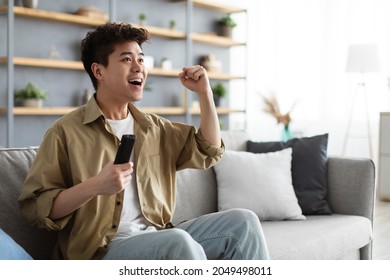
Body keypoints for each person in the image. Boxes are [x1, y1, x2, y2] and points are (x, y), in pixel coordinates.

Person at [18, 22, 269, 260]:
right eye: (127, 59)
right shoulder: (65, 132)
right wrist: (96, 185)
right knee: (178, 242)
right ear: (98, 70)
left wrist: (205, 94)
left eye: (140, 59)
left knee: (243, 223)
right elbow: (37, 208)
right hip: (100, 252)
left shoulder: (155, 128)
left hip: (159, 236)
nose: (138, 67)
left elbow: (209, 149)